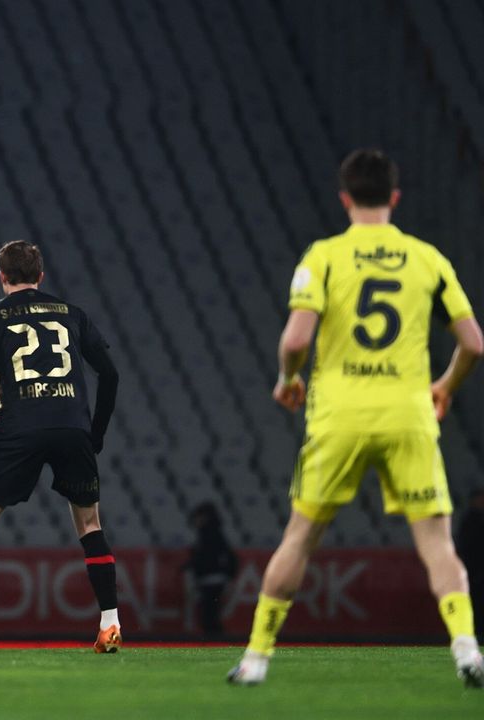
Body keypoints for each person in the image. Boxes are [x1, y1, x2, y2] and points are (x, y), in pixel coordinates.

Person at [227, 149, 484, 688]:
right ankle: (466, 649)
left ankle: (255, 659)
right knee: (437, 545)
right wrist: (444, 386)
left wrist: (287, 379)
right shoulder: (427, 258)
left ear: (345, 199)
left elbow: (296, 339)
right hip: (408, 414)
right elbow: (474, 344)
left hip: (339, 416)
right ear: (395, 197)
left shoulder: (324, 256)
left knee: (300, 537)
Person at [0, 240, 121, 653]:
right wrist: (96, 434)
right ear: (41, 275)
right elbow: (110, 375)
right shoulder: (72, 313)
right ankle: (110, 623)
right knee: (90, 525)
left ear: (2, 276)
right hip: (73, 429)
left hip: (21, 429)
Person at [184, 502, 238, 639]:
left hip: (210, 580)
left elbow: (203, 558)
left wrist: (191, 566)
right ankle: (216, 640)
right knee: (211, 614)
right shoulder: (215, 533)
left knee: (209, 615)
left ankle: (215, 641)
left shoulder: (208, 535)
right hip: (215, 579)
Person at [457, 488, 484, 642]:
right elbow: (470, 547)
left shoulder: (474, 518)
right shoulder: (472, 520)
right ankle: (474, 634)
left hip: (474, 570)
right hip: (474, 571)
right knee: (475, 603)